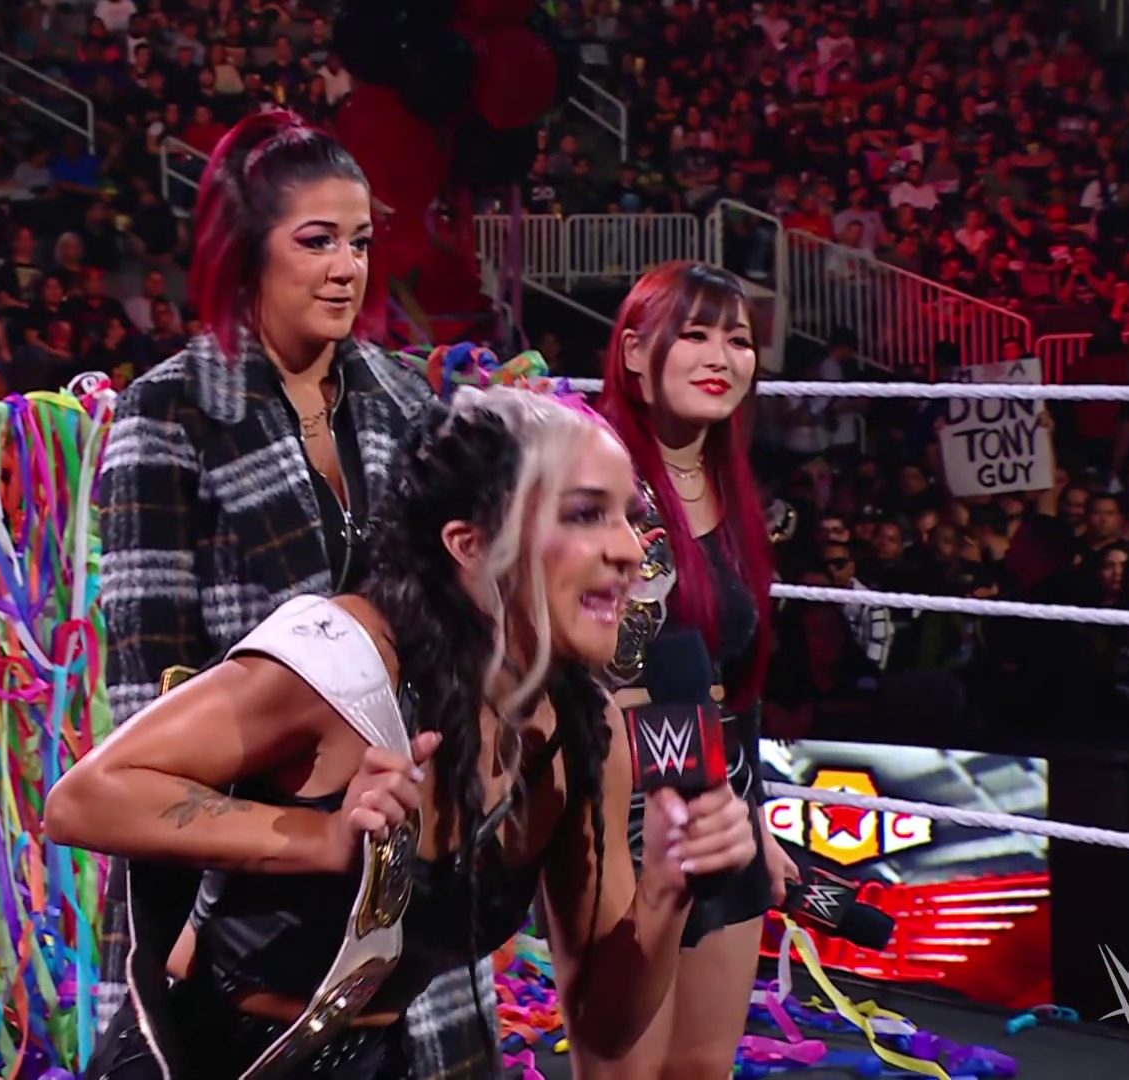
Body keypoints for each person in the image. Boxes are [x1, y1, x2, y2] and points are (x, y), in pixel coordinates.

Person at [51, 386, 758, 1079]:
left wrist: (664, 893)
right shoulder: (343, 660)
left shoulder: (581, 733)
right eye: (586, 515)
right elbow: (84, 799)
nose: (630, 550)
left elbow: (605, 1029)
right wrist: (322, 838)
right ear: (470, 544)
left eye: (629, 518)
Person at [94, 109, 449, 1068]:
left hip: (407, 866)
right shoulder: (169, 414)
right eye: (317, 241)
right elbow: (148, 698)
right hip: (243, 887)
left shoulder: (412, 406)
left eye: (361, 243)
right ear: (248, 250)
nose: (347, 269)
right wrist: (198, 894)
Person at [584, 261, 797, 1080]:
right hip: (624, 801)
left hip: (720, 792)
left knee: (704, 1065)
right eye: (695, 334)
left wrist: (757, 820)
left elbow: (733, 684)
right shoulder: (594, 477)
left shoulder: (732, 491)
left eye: (738, 340)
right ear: (636, 352)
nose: (720, 357)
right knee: (627, 1064)